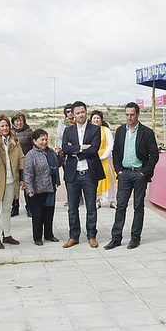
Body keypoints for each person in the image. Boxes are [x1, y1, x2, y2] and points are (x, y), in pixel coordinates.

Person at [105, 103, 159, 250]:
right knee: (120, 206)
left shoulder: (146, 132)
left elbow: (154, 155)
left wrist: (144, 173)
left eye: (132, 114)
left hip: (139, 173)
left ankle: (135, 238)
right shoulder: (121, 131)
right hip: (124, 174)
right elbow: (115, 152)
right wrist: (119, 171)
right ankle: (116, 238)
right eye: (127, 114)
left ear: (138, 114)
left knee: (138, 206)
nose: (129, 117)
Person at [61, 101, 105, 248]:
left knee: (91, 207)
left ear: (86, 112)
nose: (80, 115)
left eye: (83, 112)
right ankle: (74, 236)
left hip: (89, 174)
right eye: (77, 113)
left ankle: (92, 235)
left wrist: (75, 151)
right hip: (72, 175)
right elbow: (64, 149)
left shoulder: (94, 129)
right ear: (73, 114)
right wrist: (81, 147)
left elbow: (94, 149)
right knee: (72, 208)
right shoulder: (68, 131)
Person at [0, 114, 25, 249]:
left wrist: (21, 178)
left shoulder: (14, 141)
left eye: (7, 126)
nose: (5, 128)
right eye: (2, 126)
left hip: (11, 179)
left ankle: (7, 234)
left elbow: (21, 158)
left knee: (7, 208)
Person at [23, 129, 61, 246]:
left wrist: (59, 155)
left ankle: (49, 234)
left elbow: (57, 164)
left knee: (49, 213)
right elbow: (27, 174)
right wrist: (29, 189)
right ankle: (37, 237)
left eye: (46, 139)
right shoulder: (31, 155)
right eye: (41, 140)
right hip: (37, 190)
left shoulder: (50, 152)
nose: (44, 142)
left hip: (50, 188)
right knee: (38, 215)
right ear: (34, 141)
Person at [90, 110, 116, 210]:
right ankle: (97, 199)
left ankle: (112, 200)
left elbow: (110, 145)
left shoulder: (105, 130)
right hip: (93, 158)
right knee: (95, 180)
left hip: (105, 158)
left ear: (101, 120)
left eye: (98, 118)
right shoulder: (89, 131)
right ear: (91, 120)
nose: (96, 120)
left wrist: (104, 156)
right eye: (94, 118)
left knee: (109, 178)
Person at [11, 112, 33, 217]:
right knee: (14, 185)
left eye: (20, 120)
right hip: (13, 163)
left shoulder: (29, 132)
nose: (18, 122)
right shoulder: (10, 132)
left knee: (27, 184)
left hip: (26, 162)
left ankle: (29, 207)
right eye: (16, 120)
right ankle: (15, 207)